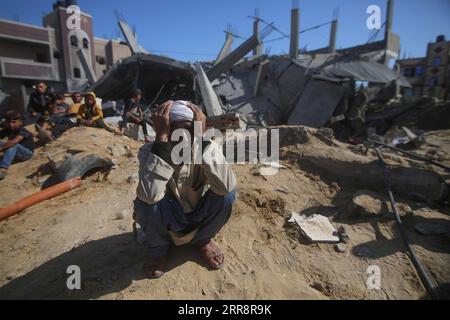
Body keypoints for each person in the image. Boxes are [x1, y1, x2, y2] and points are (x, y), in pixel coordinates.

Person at [134, 100, 236, 279]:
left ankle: (203, 240)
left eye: (188, 129)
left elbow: (225, 187)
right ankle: (159, 251)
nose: (182, 136)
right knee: (145, 203)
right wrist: (161, 141)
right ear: (165, 129)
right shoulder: (149, 151)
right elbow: (150, 196)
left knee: (226, 194)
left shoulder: (206, 147)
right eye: (174, 129)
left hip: (197, 211)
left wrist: (201, 139)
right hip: (167, 215)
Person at [0, 111, 34, 180]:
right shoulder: (8, 129)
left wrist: (1, 148)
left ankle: (3, 169)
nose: (11, 124)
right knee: (10, 144)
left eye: (14, 122)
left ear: (20, 122)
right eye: (9, 122)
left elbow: (15, 141)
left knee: (13, 144)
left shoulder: (23, 131)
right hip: (15, 153)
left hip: (26, 154)